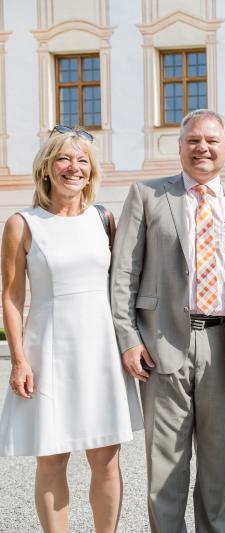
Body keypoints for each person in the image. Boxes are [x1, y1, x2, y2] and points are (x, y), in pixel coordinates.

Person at [110, 109, 225, 532]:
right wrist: (127, 338)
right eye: (193, 141)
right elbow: (123, 272)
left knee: (218, 467)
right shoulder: (146, 195)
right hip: (160, 344)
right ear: (179, 147)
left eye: (212, 141)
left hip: (224, 346)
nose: (202, 148)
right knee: (165, 468)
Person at [0, 126, 142, 533]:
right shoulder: (21, 223)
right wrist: (19, 360)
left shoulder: (104, 219)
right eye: (63, 158)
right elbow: (10, 297)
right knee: (52, 457)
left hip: (101, 350)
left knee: (106, 459)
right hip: (48, 351)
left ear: (91, 171)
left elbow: (121, 287)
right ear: (46, 168)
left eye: (82, 160)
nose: (73, 168)